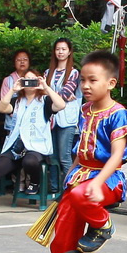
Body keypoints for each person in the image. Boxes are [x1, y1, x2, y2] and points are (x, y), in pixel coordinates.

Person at [48, 50, 127, 253]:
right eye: (83, 80)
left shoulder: (118, 113)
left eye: (93, 80)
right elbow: (82, 145)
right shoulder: (84, 109)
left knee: (80, 194)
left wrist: (96, 182)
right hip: (81, 176)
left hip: (108, 179)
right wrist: (72, 172)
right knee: (61, 240)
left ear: (111, 83)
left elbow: (117, 156)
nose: (85, 85)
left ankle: (103, 225)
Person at [0, 68, 65, 209]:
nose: (30, 83)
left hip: (36, 147)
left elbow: (61, 105)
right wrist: (13, 90)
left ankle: (35, 182)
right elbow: (2, 108)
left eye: (33, 80)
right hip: (16, 146)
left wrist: (46, 87)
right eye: (27, 80)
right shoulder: (17, 101)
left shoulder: (44, 101)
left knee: (30, 161)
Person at [45, 37, 81, 193]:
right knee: (51, 156)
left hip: (67, 120)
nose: (60, 52)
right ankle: (54, 190)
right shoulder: (48, 72)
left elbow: (66, 94)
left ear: (69, 51)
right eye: (58, 49)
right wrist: (59, 93)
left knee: (64, 156)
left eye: (63, 49)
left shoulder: (74, 73)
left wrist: (51, 91)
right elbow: (43, 93)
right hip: (50, 119)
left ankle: (69, 190)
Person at [0, 49, 33, 137]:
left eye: (25, 59)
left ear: (29, 62)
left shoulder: (34, 79)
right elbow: (4, 102)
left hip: (31, 124)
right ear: (14, 63)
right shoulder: (8, 80)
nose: (22, 62)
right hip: (12, 124)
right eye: (19, 60)